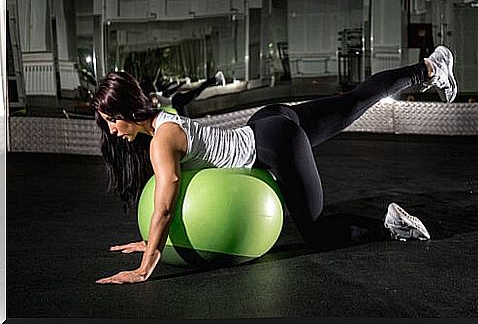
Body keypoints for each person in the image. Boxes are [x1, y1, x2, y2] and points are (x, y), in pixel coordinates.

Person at [92, 46, 457, 285]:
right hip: (268, 122)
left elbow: (166, 204)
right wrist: (149, 240)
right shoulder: (167, 117)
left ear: (126, 113)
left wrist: (146, 265)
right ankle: (427, 69)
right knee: (354, 101)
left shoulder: (161, 141)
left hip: (275, 145)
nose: (112, 129)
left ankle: (391, 226)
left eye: (111, 120)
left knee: (315, 232)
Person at [141, 72, 226, 117]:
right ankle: (215, 79)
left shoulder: (152, 95)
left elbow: (155, 101)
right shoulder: (153, 96)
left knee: (196, 92)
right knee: (185, 121)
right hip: (176, 104)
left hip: (176, 101)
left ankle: (215, 78)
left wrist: (154, 106)